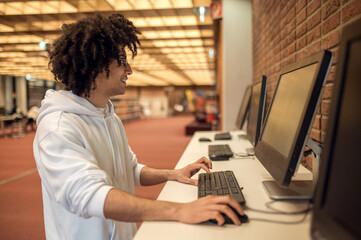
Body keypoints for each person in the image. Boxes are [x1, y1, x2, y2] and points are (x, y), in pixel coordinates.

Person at [33, 14, 244, 240]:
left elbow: (130, 169)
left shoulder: (108, 117)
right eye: (122, 62)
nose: (129, 70)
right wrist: (180, 210)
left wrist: (172, 174)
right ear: (96, 66)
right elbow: (89, 195)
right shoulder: (58, 127)